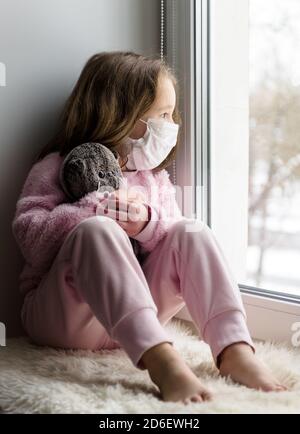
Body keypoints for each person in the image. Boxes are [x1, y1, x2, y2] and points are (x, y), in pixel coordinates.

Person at [12, 51, 286, 405]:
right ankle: (161, 359)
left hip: (138, 314)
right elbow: (30, 235)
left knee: (191, 231)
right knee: (98, 230)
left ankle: (234, 348)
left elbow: (168, 236)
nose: (172, 124)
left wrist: (145, 223)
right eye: (163, 115)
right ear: (122, 117)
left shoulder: (153, 180)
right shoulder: (56, 166)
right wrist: (95, 209)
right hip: (66, 319)